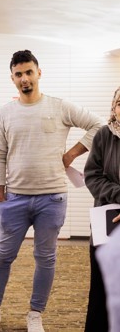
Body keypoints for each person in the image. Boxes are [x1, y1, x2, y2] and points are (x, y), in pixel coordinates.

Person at [0, 50, 102, 332]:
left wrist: (71, 153)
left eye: (28, 72)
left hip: (53, 198)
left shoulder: (59, 107)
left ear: (38, 73)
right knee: (2, 255)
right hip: (15, 198)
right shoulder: (6, 112)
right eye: (18, 74)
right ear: (12, 79)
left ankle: (35, 313)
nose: (24, 79)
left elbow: (98, 125)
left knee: (45, 258)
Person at [83, 86, 120, 331]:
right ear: (114, 107)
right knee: (101, 288)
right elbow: (92, 175)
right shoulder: (104, 136)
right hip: (107, 219)